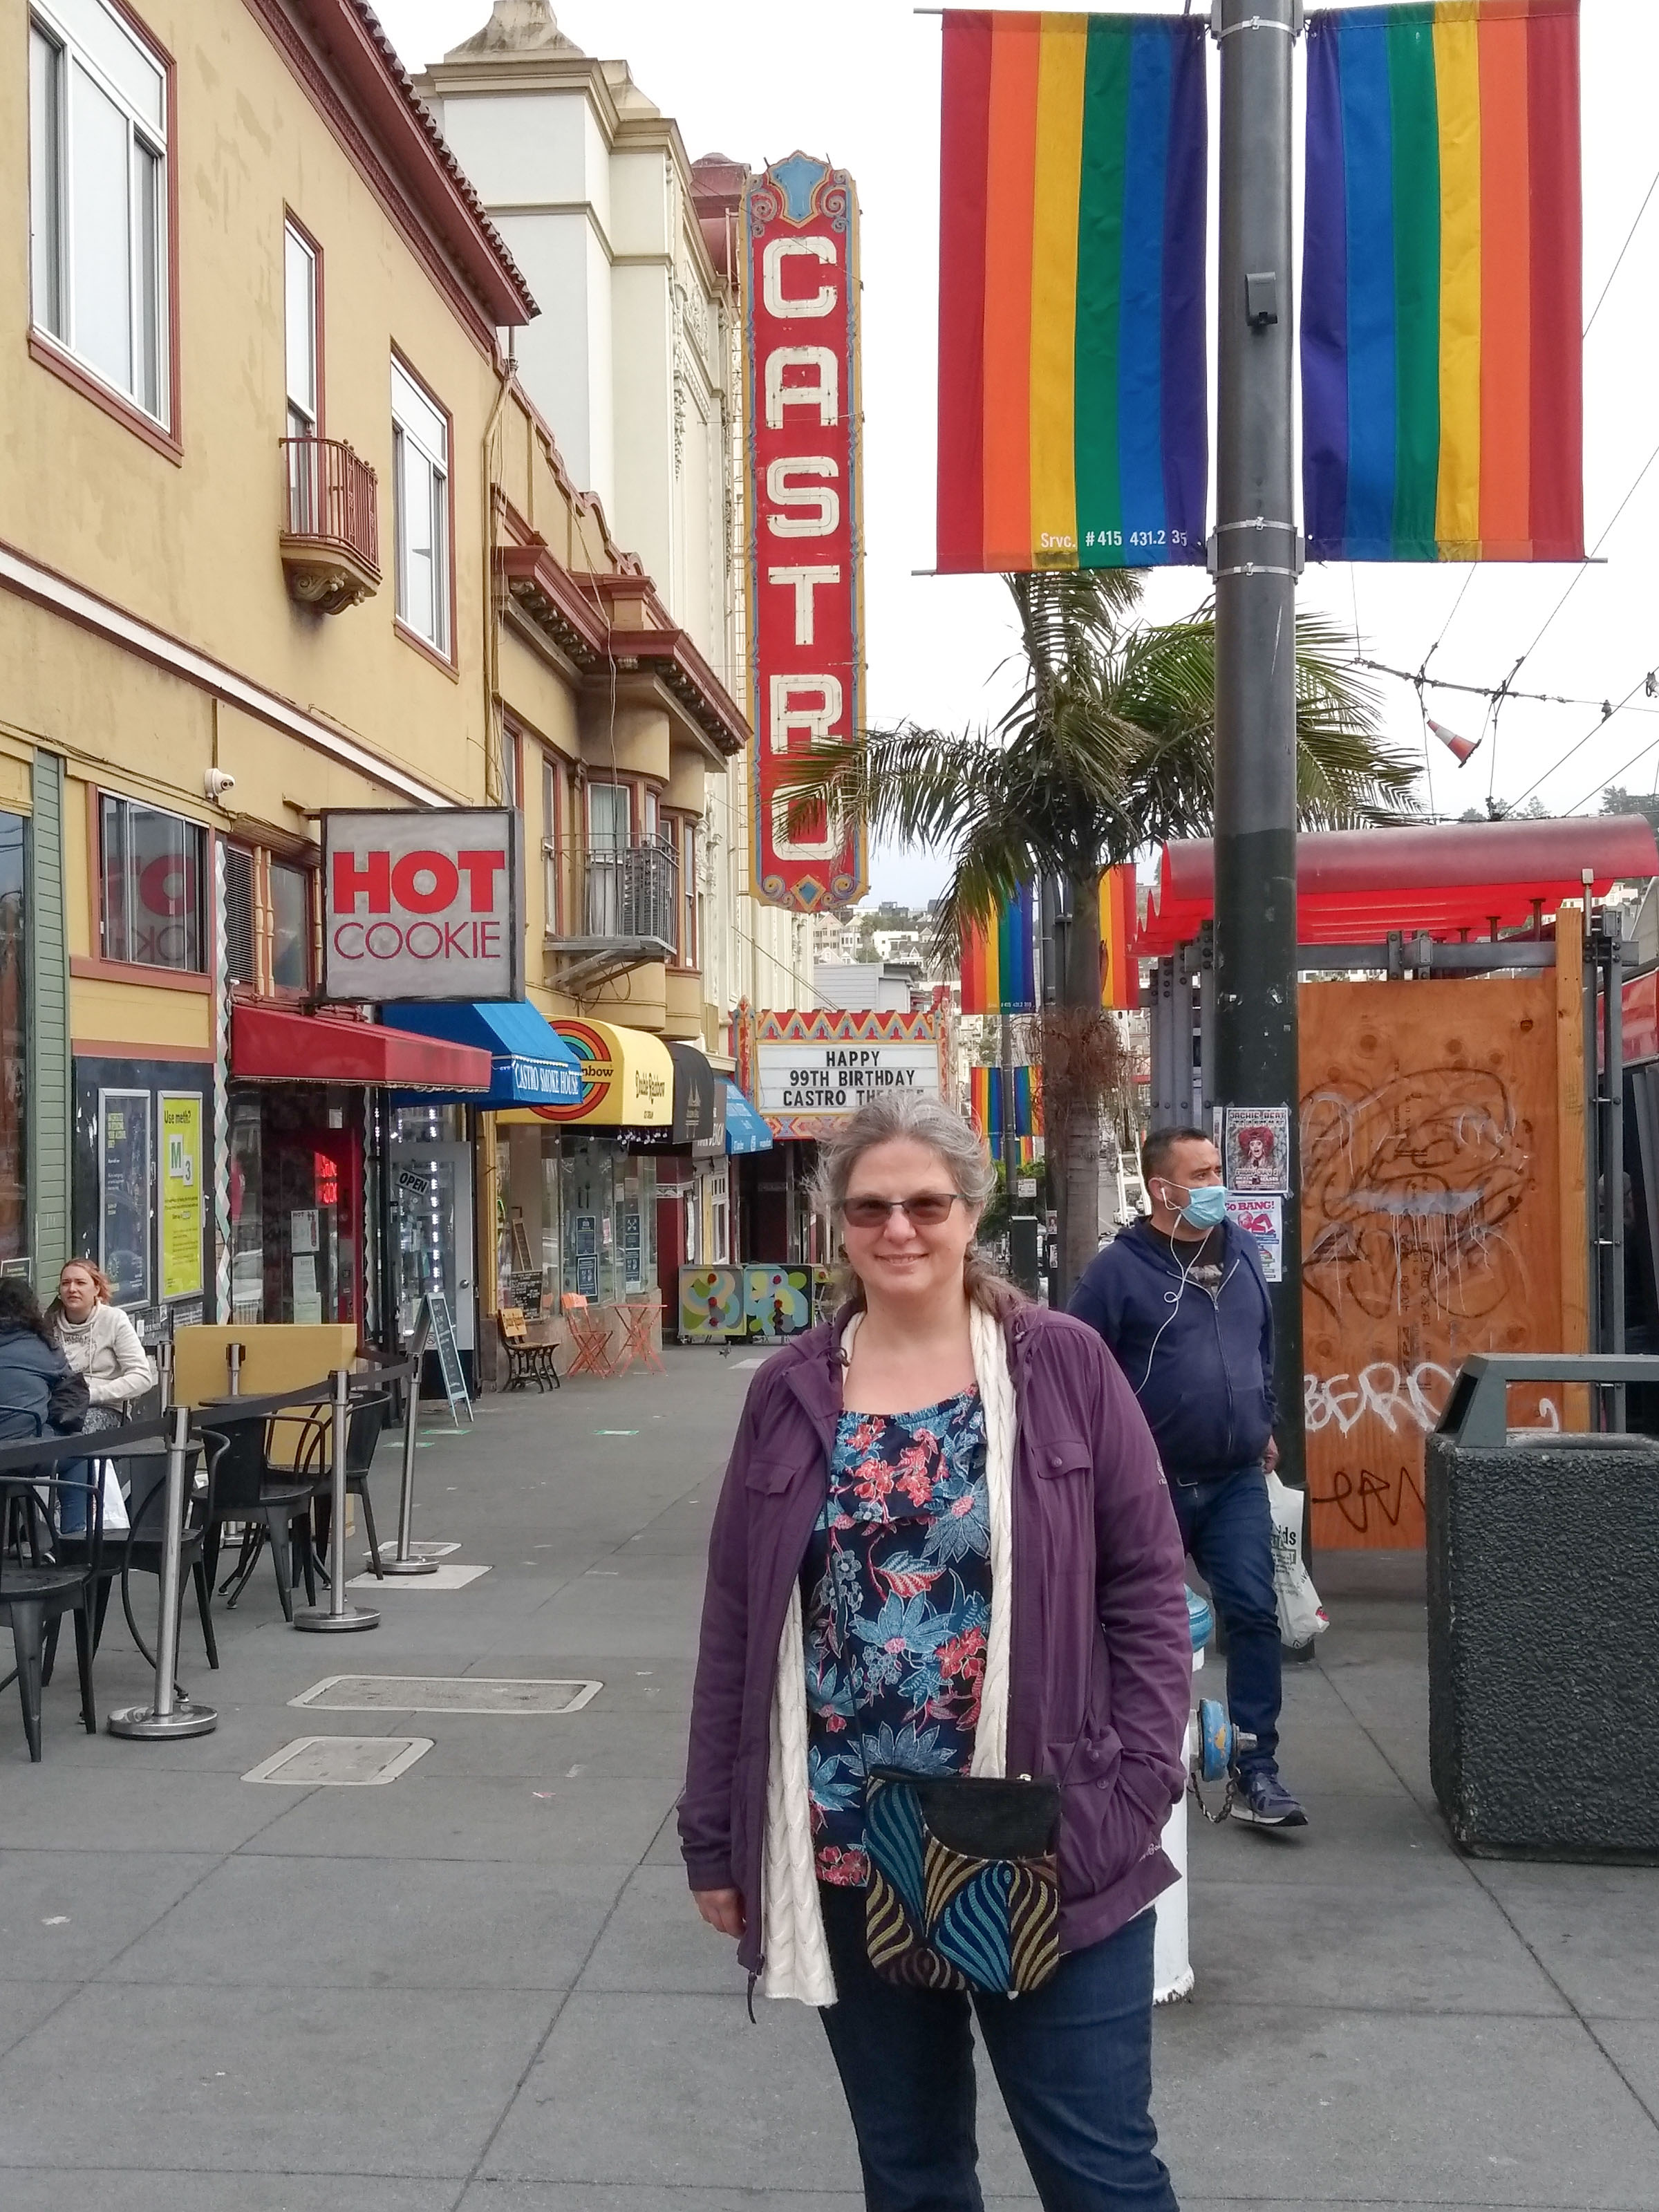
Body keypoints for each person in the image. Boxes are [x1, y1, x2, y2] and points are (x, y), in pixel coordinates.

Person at [682, 1093, 1192, 2212]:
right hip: (858, 1841)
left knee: (1100, 2176)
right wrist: (715, 1838)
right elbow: (737, 1622)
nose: (899, 1229)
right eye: (871, 1208)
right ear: (838, 1225)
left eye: (925, 1204)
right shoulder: (789, 1395)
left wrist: (1139, 1786)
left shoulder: (1062, 1365)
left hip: (1044, 1830)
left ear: (971, 1213)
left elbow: (1150, 1588)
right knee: (911, 2176)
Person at [1069, 1126, 1306, 1828]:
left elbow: (1260, 1345)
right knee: (1139, 1625)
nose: (1215, 1183)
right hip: (1152, 1485)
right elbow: (1074, 1367)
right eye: (1200, 1172)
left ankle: (1257, 1765)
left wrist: (1263, 1420)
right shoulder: (1117, 1271)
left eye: (1216, 1169)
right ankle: (1133, 1758)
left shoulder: (1243, 1252)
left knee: (1254, 1612)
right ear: (1162, 1187)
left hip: (1234, 1476)